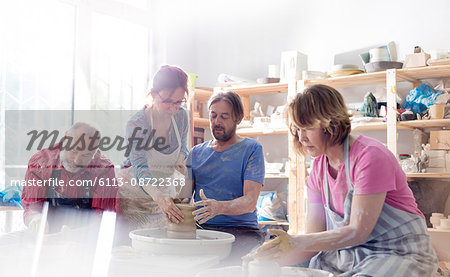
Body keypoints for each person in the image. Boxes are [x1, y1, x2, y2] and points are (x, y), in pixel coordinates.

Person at [252, 84, 438, 276]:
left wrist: (294, 242)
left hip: (397, 253)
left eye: (307, 128)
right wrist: (266, 260)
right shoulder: (318, 169)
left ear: (330, 123)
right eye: (297, 129)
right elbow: (312, 242)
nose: (301, 138)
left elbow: (358, 232)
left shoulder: (370, 156)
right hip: (347, 256)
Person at [187, 91, 265, 265]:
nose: (217, 122)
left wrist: (219, 207)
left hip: (241, 232)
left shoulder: (251, 149)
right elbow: (183, 198)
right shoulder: (196, 153)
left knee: (232, 267)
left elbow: (250, 201)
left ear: (238, 118)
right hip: (203, 230)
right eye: (213, 116)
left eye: (224, 116)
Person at [116, 65, 190, 232]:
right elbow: (141, 169)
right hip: (135, 198)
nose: (174, 108)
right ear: (154, 94)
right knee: (139, 249)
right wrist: (160, 199)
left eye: (179, 102)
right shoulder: (137, 124)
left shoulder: (181, 117)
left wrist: (180, 160)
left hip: (164, 194)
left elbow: (183, 148)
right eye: (167, 102)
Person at [21, 122, 117, 234]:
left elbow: (104, 218)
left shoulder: (104, 170)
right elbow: (32, 206)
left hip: (86, 237)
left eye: (86, 155)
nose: (76, 161)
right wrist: (35, 218)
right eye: (74, 151)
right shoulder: (40, 162)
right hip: (48, 234)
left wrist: (76, 235)